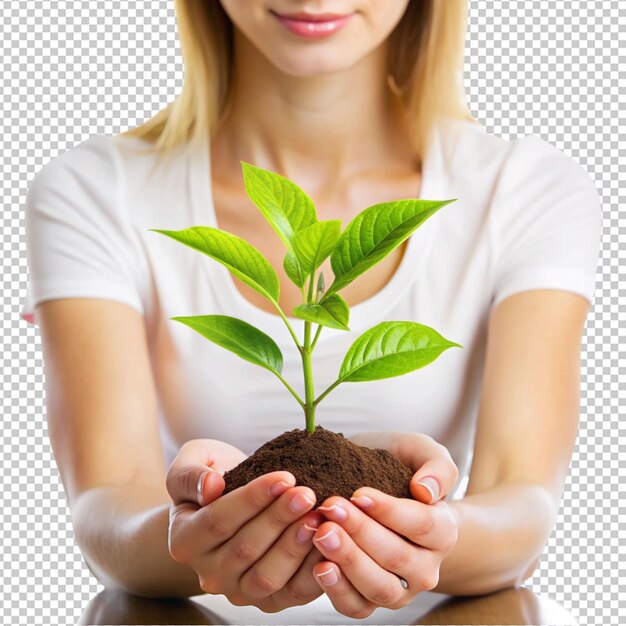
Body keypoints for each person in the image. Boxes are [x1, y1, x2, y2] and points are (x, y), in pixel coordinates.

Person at [21, 1, 601, 624]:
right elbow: (106, 505)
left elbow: (523, 501)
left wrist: (428, 530)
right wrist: (193, 531)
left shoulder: (525, 190)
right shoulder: (94, 191)